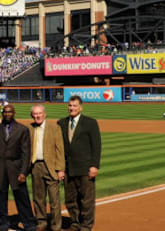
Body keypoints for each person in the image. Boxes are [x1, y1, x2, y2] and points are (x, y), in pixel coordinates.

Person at [58, 95, 101, 231]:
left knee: (86, 199)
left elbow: (96, 146)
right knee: (70, 199)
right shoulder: (62, 123)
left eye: (75, 106)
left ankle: (86, 226)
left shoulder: (90, 122)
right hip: (68, 168)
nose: (72, 108)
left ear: (80, 107)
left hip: (85, 167)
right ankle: (75, 223)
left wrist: (94, 165)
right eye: (70, 105)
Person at [0, 104, 36, 231]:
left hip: (16, 168)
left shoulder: (22, 129)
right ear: (2, 114)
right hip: (0, 167)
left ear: (14, 113)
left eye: (10, 112)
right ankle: (2, 223)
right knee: (0, 198)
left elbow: (26, 153)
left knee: (22, 197)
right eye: (5, 112)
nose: (7, 114)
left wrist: (24, 171)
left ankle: (29, 224)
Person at [28, 104, 65, 231]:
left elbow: (60, 149)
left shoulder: (54, 128)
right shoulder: (30, 128)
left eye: (39, 113)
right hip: (35, 166)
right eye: (35, 114)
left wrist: (60, 169)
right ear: (32, 116)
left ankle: (56, 226)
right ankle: (41, 222)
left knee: (54, 200)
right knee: (38, 198)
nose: (37, 116)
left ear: (44, 114)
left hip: (51, 166)